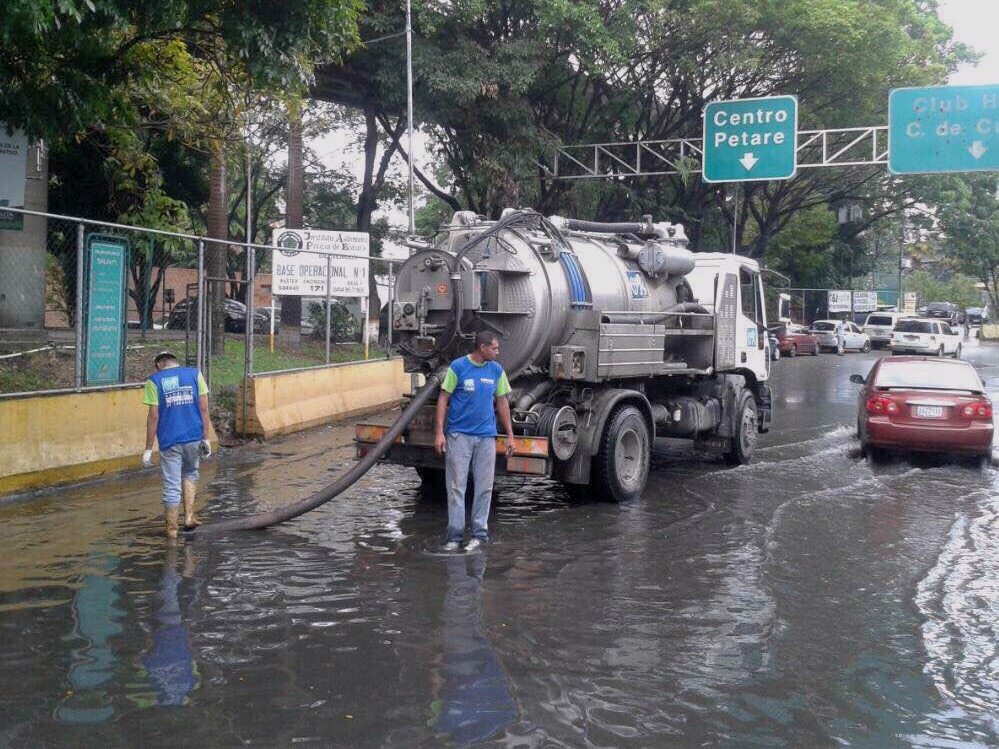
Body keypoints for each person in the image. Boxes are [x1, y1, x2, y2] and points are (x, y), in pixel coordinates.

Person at [434, 331, 515, 551]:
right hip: (459, 436)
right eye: (494, 348)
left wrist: (509, 435)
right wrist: (439, 433)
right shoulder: (458, 367)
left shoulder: (496, 370)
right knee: (456, 487)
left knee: (484, 487)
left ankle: (479, 534)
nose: (498, 352)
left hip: (486, 437)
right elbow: (443, 399)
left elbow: (502, 402)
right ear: (482, 347)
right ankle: (455, 537)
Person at [142, 351, 211, 539]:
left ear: (159, 364)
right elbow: (203, 408)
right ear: (175, 361)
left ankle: (172, 532)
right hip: (193, 437)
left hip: (169, 441)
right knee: (190, 473)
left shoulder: (154, 381)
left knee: (172, 484)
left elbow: (153, 416)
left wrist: (148, 448)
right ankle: (189, 517)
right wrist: (206, 438)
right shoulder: (195, 374)